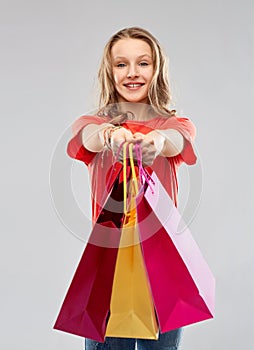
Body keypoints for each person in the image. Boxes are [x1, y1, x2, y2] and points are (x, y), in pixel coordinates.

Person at [67, 26, 197, 350]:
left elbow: (176, 141)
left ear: (156, 70)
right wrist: (111, 135)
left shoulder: (175, 124)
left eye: (143, 63)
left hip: (163, 273)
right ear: (110, 72)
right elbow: (87, 139)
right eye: (121, 64)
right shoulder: (92, 123)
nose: (132, 73)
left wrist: (155, 141)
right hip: (110, 272)